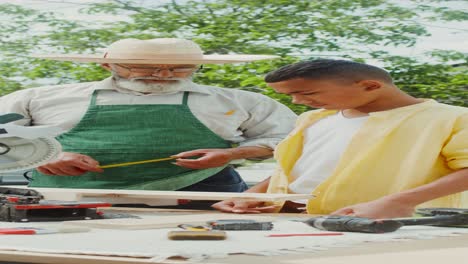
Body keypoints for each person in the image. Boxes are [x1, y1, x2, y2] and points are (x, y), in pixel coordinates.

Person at [0, 38, 296, 193]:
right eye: (144, 67)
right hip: (67, 199)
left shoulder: (240, 101)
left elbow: (290, 139)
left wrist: (232, 154)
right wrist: (42, 156)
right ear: (108, 66)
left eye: (180, 68)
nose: (164, 75)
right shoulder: (39, 97)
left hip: (202, 194)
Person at [212, 59, 468, 219]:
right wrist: (253, 195)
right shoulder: (313, 118)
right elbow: (293, 169)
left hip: (390, 227)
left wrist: (400, 202)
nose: (297, 101)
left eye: (307, 93)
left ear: (370, 86)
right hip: (288, 221)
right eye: (290, 95)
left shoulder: (452, 118)